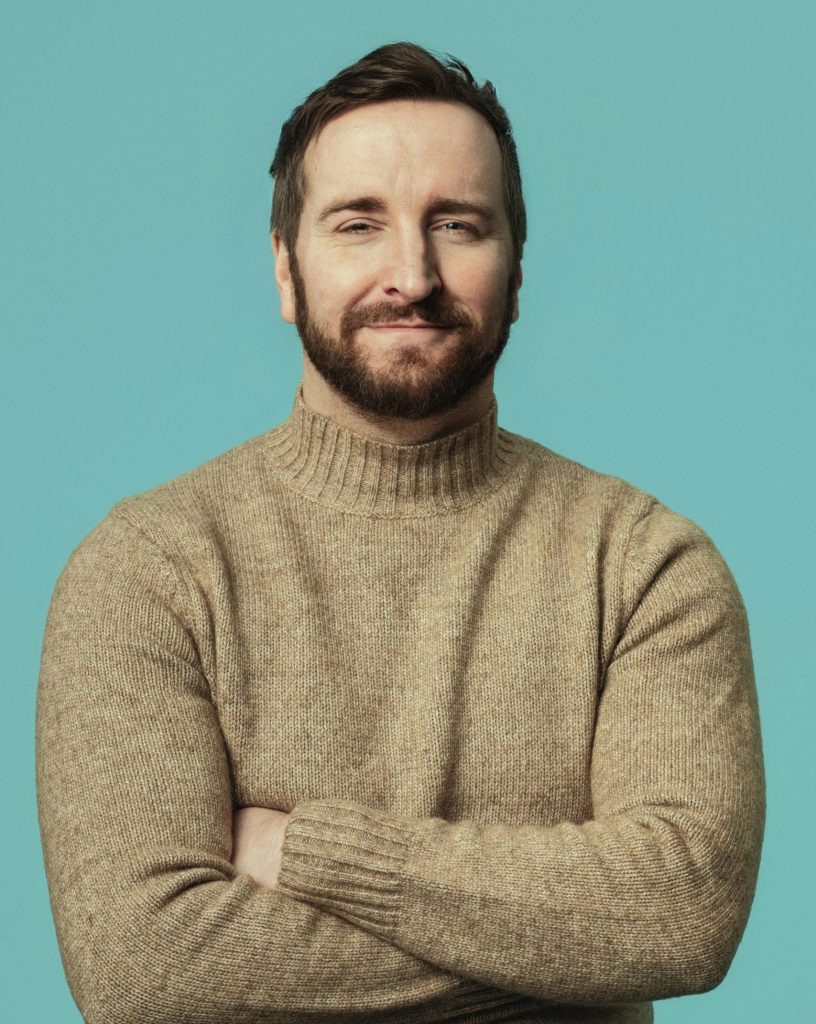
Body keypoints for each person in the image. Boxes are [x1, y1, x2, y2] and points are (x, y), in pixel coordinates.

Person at [35, 41, 765, 1024]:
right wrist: (564, 948)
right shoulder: (149, 569)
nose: (411, 275)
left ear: (516, 273)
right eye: (359, 224)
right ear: (286, 270)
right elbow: (143, 973)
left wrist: (306, 853)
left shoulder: (645, 565)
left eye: (457, 225)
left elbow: (682, 916)